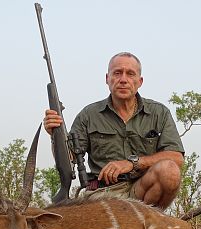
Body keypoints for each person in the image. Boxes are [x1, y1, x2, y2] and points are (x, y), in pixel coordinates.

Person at [43, 52, 184, 210]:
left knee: (169, 171)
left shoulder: (159, 112)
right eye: (117, 73)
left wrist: (132, 163)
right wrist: (55, 135)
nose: (123, 79)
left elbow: (176, 158)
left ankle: (153, 222)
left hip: (143, 190)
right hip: (102, 193)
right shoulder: (88, 115)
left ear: (140, 81)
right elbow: (69, 159)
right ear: (107, 79)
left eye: (130, 74)